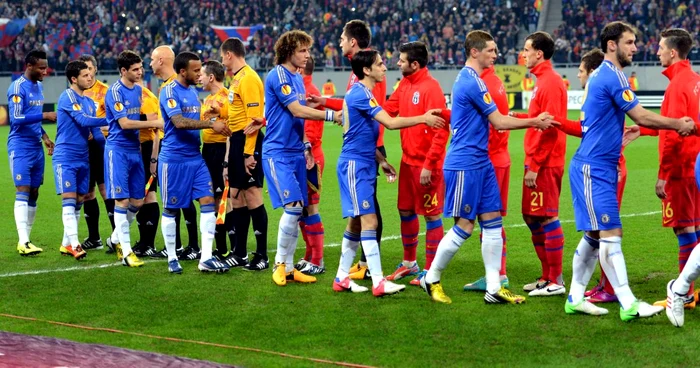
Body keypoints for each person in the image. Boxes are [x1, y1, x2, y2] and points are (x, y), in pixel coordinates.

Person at [564, 21, 696, 321]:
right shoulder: (611, 76)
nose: (635, 48)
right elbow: (641, 115)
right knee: (612, 233)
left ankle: (574, 297)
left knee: (595, 236)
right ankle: (628, 303)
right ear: (612, 45)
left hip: (600, 166)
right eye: (629, 42)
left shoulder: (608, 75)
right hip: (592, 167)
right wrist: (678, 123)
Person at [420, 30, 555, 305]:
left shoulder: (473, 81)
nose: (496, 55)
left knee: (493, 222)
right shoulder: (472, 82)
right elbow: (500, 122)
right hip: (465, 162)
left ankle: (494, 287)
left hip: (481, 161)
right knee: (465, 226)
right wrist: (534, 122)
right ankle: (430, 277)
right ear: (475, 52)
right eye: (491, 50)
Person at [333, 49, 445, 296]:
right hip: (356, 166)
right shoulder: (362, 94)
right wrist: (423, 118)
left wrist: (381, 160)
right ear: (367, 70)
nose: (386, 67)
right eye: (380, 64)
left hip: (362, 162)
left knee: (355, 222)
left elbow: (363, 135)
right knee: (369, 221)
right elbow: (391, 123)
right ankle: (378, 282)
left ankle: (341, 277)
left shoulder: (365, 93)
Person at [623, 29, 700, 323]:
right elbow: (681, 124)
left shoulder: (676, 85)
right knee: (696, 228)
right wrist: (641, 129)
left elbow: (672, 135)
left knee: (683, 230)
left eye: (660, 48)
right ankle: (692, 290)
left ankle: (683, 293)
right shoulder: (694, 81)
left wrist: (663, 174)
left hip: (680, 169)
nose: (656, 52)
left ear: (672, 52)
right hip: (697, 165)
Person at [309, 20, 391, 280]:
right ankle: (350, 272)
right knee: (362, 211)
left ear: (353, 42)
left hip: (366, 147)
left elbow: (374, 111)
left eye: (343, 38)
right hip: (360, 148)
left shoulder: (369, 71)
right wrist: (326, 102)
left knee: (369, 209)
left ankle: (368, 265)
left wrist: (379, 152)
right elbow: (351, 104)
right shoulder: (359, 73)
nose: (340, 42)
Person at [262, 30, 342, 286]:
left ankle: (287, 267)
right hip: (277, 153)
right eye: (302, 51)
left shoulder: (297, 79)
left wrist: (306, 144)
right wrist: (332, 115)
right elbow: (297, 109)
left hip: (296, 152)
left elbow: (296, 120)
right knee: (294, 207)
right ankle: (280, 265)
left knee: (298, 212)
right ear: (288, 52)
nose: (307, 56)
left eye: (308, 51)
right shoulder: (278, 76)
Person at [550, 49, 620, 304]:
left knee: (607, 230)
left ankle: (613, 290)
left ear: (591, 72)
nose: (577, 75)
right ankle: (603, 286)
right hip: (602, 166)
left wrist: (555, 121)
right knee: (599, 230)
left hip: (607, 167)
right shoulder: (597, 93)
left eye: (580, 70)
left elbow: (584, 130)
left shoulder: (598, 89)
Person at [379, 41, 448, 286]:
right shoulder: (404, 84)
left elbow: (441, 131)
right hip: (408, 162)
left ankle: (431, 270)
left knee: (431, 215)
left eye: (401, 59)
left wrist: (430, 164)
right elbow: (386, 110)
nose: (397, 63)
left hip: (427, 165)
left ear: (414, 64)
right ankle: (410, 263)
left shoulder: (432, 88)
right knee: (405, 211)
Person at [158, 51, 233, 274]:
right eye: (196, 69)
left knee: (209, 200)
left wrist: (212, 118)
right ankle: (172, 257)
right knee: (171, 208)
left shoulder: (191, 92)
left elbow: (196, 119)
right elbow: (179, 122)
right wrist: (211, 124)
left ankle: (206, 258)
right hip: (173, 160)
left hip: (195, 157)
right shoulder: (169, 91)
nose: (200, 73)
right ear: (183, 71)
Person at [512, 31, 568, 297]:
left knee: (547, 216)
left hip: (545, 162)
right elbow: (538, 119)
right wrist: (517, 116)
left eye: (526, 49)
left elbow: (552, 127)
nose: (523, 54)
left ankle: (555, 279)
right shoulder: (541, 81)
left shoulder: (551, 82)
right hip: (535, 158)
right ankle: (546, 276)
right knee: (530, 215)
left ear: (539, 53)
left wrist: (535, 164)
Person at [103, 50, 163, 268]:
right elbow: (125, 123)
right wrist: (154, 124)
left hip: (134, 151)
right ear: (123, 71)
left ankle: (115, 238)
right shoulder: (115, 92)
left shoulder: (139, 91)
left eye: (141, 68)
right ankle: (126, 252)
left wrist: (154, 118)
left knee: (138, 201)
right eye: (136, 69)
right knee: (122, 200)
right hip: (117, 151)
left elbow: (136, 115)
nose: (140, 72)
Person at [220, 37, 269, 271]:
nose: (222, 60)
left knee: (252, 196)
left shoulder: (248, 78)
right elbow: (235, 112)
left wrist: (249, 154)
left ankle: (261, 256)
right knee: (236, 197)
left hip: (249, 142)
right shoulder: (237, 78)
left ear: (230, 54)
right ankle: (239, 253)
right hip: (238, 141)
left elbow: (254, 120)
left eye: (222, 56)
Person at [463, 62, 512, 291]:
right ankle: (496, 274)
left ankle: (498, 275)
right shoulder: (494, 81)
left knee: (486, 222)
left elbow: (494, 123)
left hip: (489, 158)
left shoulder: (483, 84)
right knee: (490, 222)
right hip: (499, 156)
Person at [53, 60, 108, 261]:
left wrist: (109, 151)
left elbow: (95, 133)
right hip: (66, 156)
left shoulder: (88, 102)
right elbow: (84, 121)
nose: (90, 77)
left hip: (83, 158)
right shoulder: (67, 96)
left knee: (77, 201)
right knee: (68, 198)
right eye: (85, 75)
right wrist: (113, 118)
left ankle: (66, 243)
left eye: (90, 74)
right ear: (74, 79)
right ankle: (75, 244)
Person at [149, 45, 199, 259]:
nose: (149, 63)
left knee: (179, 198)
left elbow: (172, 124)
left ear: (161, 61)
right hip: (174, 149)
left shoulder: (175, 87)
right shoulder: (170, 87)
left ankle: (190, 245)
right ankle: (182, 245)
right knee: (177, 198)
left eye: (152, 59)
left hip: (181, 152)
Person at [7, 49, 56, 256]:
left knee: (35, 192)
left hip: (35, 145)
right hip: (20, 146)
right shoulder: (18, 88)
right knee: (23, 190)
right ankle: (23, 241)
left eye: (46, 67)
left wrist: (44, 137)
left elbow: (33, 116)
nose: (45, 71)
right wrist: (45, 115)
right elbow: (16, 118)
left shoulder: (38, 87)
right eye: (41, 68)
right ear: (29, 66)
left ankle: (27, 239)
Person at [296, 55, 327, 275]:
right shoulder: (299, 91)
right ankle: (309, 253)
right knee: (300, 209)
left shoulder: (309, 93)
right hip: (298, 157)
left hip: (310, 158)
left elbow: (312, 134)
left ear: (300, 68)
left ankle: (318, 259)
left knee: (311, 207)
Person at [78, 54, 112, 251]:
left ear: (95, 69)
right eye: (83, 69)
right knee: (87, 193)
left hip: (101, 146)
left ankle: (116, 237)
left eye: (89, 68)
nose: (87, 73)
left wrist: (97, 132)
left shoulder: (106, 92)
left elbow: (114, 121)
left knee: (105, 190)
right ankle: (94, 238)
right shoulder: (76, 94)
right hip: (83, 148)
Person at [199, 59, 229, 262]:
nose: (198, 77)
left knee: (222, 199)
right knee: (211, 196)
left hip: (220, 151)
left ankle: (226, 248)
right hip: (208, 150)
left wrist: (226, 159)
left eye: (201, 74)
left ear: (211, 77)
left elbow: (230, 129)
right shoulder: (209, 99)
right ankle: (218, 247)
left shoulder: (226, 98)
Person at [131, 78, 163, 258]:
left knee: (149, 194)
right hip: (136, 149)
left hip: (148, 148)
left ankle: (148, 243)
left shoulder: (147, 97)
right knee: (138, 195)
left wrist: (153, 157)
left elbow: (156, 126)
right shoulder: (133, 97)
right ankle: (143, 241)